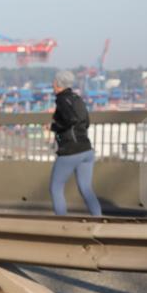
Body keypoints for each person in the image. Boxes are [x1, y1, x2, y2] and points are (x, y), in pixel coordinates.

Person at [49, 70, 102, 216]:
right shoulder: (77, 98)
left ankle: (62, 223)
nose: (52, 84)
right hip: (86, 149)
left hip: (70, 150)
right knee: (86, 188)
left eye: (54, 81)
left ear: (59, 84)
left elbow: (70, 119)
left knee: (56, 187)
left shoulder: (61, 99)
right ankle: (98, 220)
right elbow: (86, 122)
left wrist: (54, 127)